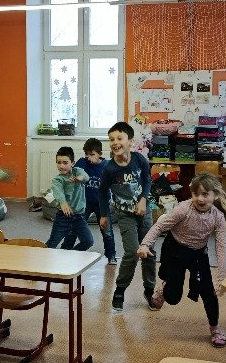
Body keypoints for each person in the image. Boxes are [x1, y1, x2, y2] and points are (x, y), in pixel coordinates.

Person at [139, 173, 226, 347]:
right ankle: (164, 288)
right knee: (173, 298)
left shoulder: (217, 217)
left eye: (205, 194)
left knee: (208, 292)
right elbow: (159, 226)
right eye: (196, 194)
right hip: (175, 250)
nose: (200, 199)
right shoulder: (183, 209)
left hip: (198, 254)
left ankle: (215, 328)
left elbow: (221, 246)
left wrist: (221, 277)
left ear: (215, 195)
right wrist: (145, 245)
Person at [98, 121, 156, 314]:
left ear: (130, 141)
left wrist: (143, 200)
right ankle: (120, 290)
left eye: (119, 138)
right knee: (131, 252)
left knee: (149, 251)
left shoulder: (140, 160)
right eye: (111, 139)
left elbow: (147, 180)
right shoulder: (109, 169)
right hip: (124, 215)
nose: (115, 142)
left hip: (144, 213)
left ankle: (149, 289)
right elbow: (102, 192)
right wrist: (104, 214)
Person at [61, 138, 116, 262]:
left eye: (92, 154)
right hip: (84, 202)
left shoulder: (107, 166)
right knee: (74, 228)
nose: (89, 157)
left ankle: (111, 255)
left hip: (102, 204)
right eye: (87, 154)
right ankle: (64, 251)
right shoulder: (83, 162)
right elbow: (72, 172)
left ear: (100, 154)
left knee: (107, 230)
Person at [46, 147, 94, 251]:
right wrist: (63, 202)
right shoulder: (57, 179)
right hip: (62, 218)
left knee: (88, 241)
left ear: (72, 163)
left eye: (65, 163)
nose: (61, 166)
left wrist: (79, 179)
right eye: (58, 162)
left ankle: (70, 255)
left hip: (79, 217)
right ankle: (40, 257)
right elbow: (57, 191)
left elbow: (85, 176)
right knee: (51, 244)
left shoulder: (78, 171)